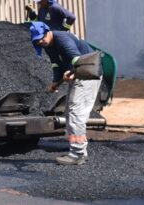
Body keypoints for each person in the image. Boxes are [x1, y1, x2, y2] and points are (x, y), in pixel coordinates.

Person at [30, 21, 102, 166]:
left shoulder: (61, 39)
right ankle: (78, 150)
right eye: (37, 40)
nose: (40, 41)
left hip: (88, 74)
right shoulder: (48, 45)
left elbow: (77, 59)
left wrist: (71, 72)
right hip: (80, 75)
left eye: (41, 37)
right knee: (70, 113)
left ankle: (77, 154)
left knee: (76, 113)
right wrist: (55, 82)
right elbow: (56, 64)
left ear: (48, 32)